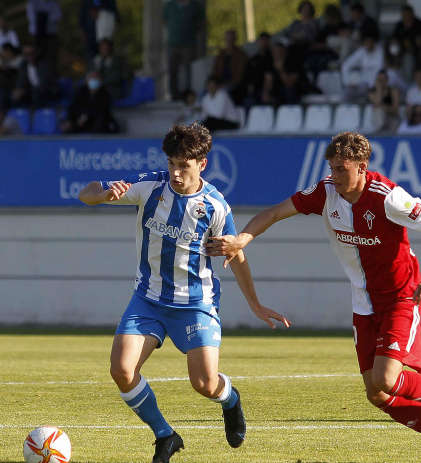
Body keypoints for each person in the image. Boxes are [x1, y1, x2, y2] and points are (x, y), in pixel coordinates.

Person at [207, 131, 421, 463]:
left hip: (400, 297)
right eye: (331, 168)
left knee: (387, 378)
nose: (333, 177)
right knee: (376, 393)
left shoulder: (388, 196)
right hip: (363, 302)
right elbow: (275, 212)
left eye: (341, 170)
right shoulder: (326, 191)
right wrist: (242, 239)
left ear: (362, 167)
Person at [78, 123, 290, 463]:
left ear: (201, 164)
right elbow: (85, 192)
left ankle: (230, 399)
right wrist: (103, 195)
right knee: (121, 369)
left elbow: (235, 253)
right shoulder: (149, 186)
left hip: (195, 304)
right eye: (172, 163)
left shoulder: (215, 206)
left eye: (184, 166)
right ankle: (166, 435)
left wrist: (256, 304)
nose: (175, 173)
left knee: (205, 384)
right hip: (148, 299)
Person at [163, 0, 204, 101]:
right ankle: (174, 96)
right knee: (172, 70)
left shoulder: (195, 6)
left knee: (189, 71)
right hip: (173, 44)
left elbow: (200, 23)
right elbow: (164, 21)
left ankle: (188, 96)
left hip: (189, 44)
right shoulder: (169, 5)